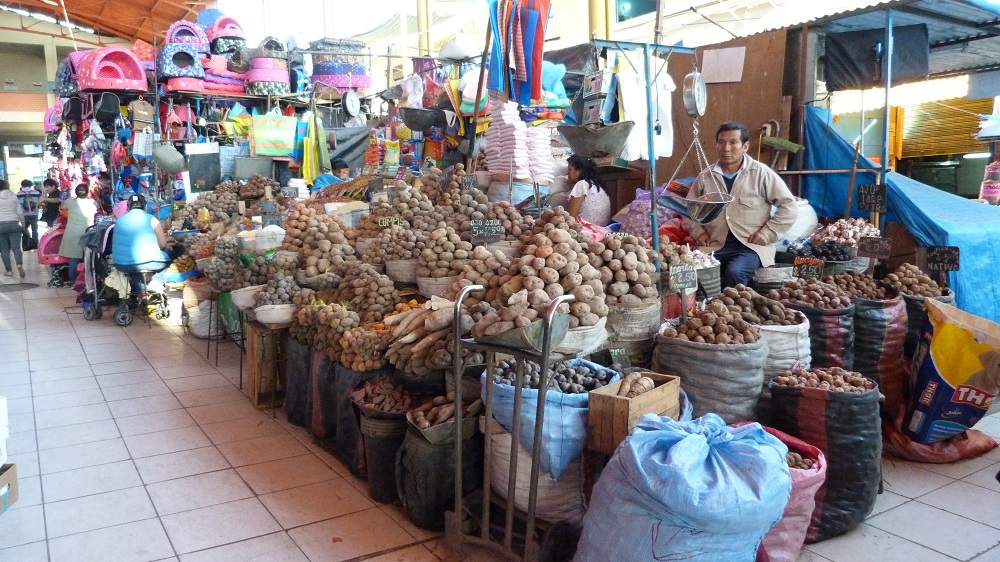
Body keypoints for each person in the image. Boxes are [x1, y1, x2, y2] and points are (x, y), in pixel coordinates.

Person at [684, 121, 798, 287]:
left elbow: (789, 207)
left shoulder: (761, 173)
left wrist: (768, 233)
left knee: (735, 272)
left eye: (733, 142)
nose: (726, 148)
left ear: (745, 146)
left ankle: (730, 309)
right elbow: (687, 210)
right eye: (721, 142)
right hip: (714, 246)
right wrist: (698, 232)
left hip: (750, 247)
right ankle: (702, 310)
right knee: (691, 270)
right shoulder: (705, 177)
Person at [112, 194, 184, 302]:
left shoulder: (119, 221)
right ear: (145, 207)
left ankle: (142, 291)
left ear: (128, 207)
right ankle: (156, 281)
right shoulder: (152, 219)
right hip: (149, 262)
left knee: (134, 268)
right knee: (177, 251)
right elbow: (163, 245)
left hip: (121, 264)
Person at [59, 183, 98, 286]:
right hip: (88, 233)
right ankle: (88, 283)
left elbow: (62, 207)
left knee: (73, 259)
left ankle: (74, 283)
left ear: (76, 192)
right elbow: (96, 210)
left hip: (72, 234)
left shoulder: (70, 202)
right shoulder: (92, 203)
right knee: (89, 260)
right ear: (87, 192)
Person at [565, 154, 612, 226]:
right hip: (603, 230)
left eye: (569, 169)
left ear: (579, 171)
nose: (567, 173)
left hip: (586, 232)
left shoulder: (582, 185)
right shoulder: (599, 185)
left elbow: (569, 218)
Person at [0, 180, 26, 278]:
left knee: (4, 249)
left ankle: (9, 271)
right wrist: (23, 226)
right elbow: (20, 212)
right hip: (14, 224)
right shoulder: (14, 196)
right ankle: (19, 264)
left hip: (1, 225)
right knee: (16, 248)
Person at [17, 179, 40, 250]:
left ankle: (26, 244)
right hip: (34, 213)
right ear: (31, 185)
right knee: (34, 229)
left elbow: (17, 204)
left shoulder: (19, 194)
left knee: (25, 228)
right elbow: (39, 202)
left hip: (24, 214)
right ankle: (35, 244)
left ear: (22, 185)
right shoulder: (36, 192)